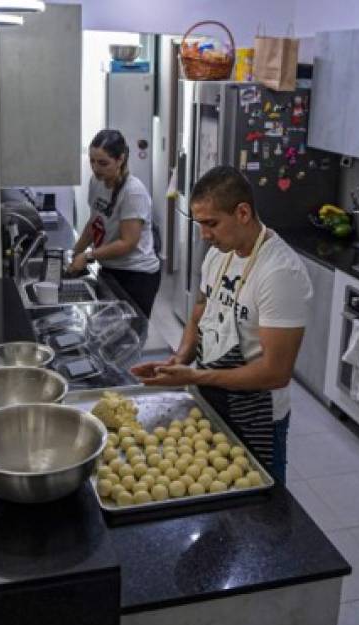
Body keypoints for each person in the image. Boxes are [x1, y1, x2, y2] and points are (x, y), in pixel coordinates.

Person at [131, 166, 311, 483]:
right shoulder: (218, 254)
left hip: (256, 412)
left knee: (260, 509)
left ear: (242, 212)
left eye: (211, 223)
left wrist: (198, 376)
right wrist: (180, 359)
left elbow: (276, 373)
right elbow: (202, 307)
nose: (204, 234)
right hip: (213, 395)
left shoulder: (279, 273)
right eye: (199, 224)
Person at [68, 129, 162, 317]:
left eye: (103, 163)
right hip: (110, 269)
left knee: (130, 337)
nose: (96, 168)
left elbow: (128, 243)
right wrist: (75, 253)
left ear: (120, 159)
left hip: (136, 275)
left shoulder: (133, 192)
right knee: (107, 333)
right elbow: (94, 223)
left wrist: (88, 256)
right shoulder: (96, 182)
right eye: (92, 161)